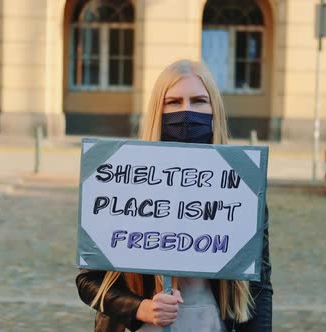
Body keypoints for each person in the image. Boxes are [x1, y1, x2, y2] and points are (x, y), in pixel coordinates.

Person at [76, 59, 273, 332]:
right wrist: (141, 308)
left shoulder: (242, 187)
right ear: (159, 109)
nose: (187, 112)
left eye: (198, 101)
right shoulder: (123, 179)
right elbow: (89, 281)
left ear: (214, 109)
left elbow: (259, 286)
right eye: (174, 102)